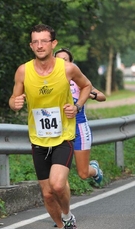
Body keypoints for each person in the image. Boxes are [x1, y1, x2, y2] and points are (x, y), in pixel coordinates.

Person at [8, 24, 92, 229]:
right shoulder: (23, 71)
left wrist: (76, 106)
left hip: (63, 135)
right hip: (38, 139)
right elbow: (14, 98)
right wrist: (14, 103)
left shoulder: (67, 69)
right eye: (35, 41)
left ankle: (67, 217)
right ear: (31, 45)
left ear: (53, 44)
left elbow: (86, 86)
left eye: (44, 41)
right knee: (46, 193)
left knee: (56, 185)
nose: (40, 45)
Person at [54, 48, 106, 184]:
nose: (61, 63)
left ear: (71, 63)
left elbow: (102, 96)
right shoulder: (50, 81)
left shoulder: (77, 80)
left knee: (83, 173)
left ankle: (94, 170)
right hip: (59, 130)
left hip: (78, 128)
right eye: (58, 60)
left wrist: (91, 94)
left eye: (64, 60)